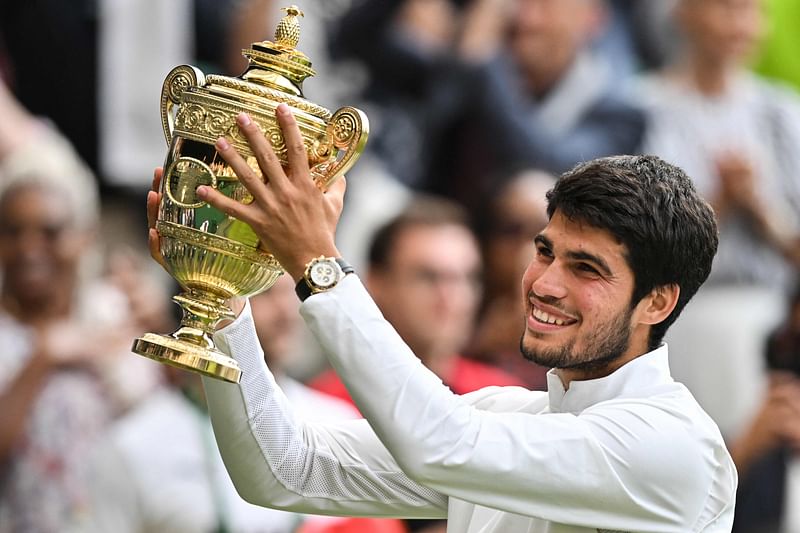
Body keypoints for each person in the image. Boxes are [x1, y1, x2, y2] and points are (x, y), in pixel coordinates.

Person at [147, 108, 736, 531]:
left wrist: (316, 263)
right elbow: (286, 470)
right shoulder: (507, 416)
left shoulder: (672, 446)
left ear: (658, 302)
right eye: (545, 251)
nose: (545, 283)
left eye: (587, 268)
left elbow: (439, 444)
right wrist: (221, 287)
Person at [83, 275, 357, 533]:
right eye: (264, 293)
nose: (286, 312)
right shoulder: (133, 445)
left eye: (293, 292)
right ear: (200, 305)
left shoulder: (337, 423)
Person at [311, 196, 523, 406]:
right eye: (428, 277)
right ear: (376, 282)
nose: (451, 297)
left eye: (467, 278)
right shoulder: (328, 405)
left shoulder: (505, 399)